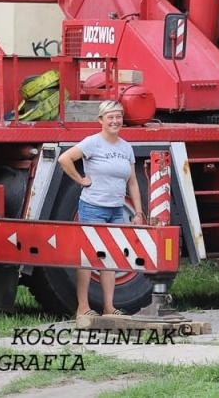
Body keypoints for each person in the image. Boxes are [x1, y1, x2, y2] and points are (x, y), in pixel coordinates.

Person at [57, 99, 144, 322]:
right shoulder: (92, 143)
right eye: (110, 117)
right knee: (88, 258)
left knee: (110, 258)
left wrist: (139, 211)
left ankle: (109, 307)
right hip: (93, 207)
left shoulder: (126, 147)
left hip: (116, 210)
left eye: (118, 116)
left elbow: (132, 182)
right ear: (101, 120)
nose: (115, 121)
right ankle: (83, 307)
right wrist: (80, 180)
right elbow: (64, 159)